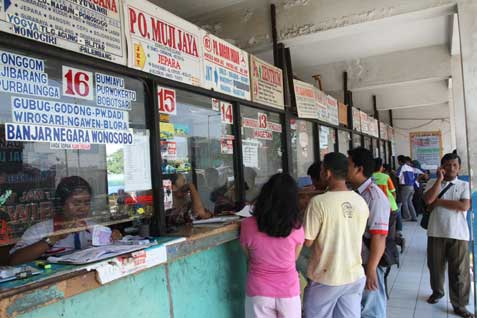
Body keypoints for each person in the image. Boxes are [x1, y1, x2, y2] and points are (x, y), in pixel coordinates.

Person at [303, 153, 369, 318]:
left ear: (327, 173)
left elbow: (307, 241)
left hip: (327, 277)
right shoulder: (360, 200)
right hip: (354, 275)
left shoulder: (318, 203)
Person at [9, 176, 122, 265]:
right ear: (61, 204)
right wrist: (54, 238)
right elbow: (14, 261)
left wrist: (114, 238)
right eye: (76, 203)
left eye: (86, 203)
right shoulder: (40, 230)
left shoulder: (94, 229)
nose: (82, 208)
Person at [240, 173, 304, 318]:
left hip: (258, 290)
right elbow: (294, 257)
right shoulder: (297, 227)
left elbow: (249, 256)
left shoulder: (247, 225)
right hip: (288, 291)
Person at [423, 153, 473, 318]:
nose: (451, 168)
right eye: (448, 165)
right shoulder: (432, 182)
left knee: (459, 271)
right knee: (435, 267)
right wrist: (439, 180)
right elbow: (428, 199)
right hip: (436, 232)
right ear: (442, 167)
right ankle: (437, 292)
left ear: (459, 168)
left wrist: (439, 202)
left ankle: (460, 304)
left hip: (458, 234)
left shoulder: (464, 185)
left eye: (455, 165)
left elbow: (464, 205)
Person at [347, 148, 390, 318]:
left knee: (371, 309)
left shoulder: (374, 197)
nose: (344, 168)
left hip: (369, 262)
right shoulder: (354, 192)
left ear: (359, 169)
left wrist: (371, 268)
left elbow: (379, 236)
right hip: (357, 261)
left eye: (348, 164)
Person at [373, 158, 398, 242]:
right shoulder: (386, 177)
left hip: (376, 208)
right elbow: (393, 192)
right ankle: (392, 251)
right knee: (390, 232)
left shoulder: (369, 177)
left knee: (379, 232)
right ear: (381, 167)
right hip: (390, 207)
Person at [396, 155, 419, 221]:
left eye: (398, 161)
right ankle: (414, 217)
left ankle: (407, 216)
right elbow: (414, 177)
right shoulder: (410, 168)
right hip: (412, 186)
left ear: (400, 161)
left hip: (405, 187)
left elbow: (397, 175)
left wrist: (392, 172)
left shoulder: (402, 167)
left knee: (404, 201)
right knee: (409, 202)